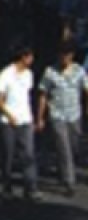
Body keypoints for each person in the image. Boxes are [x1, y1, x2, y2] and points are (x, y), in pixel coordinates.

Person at [38, 42, 88, 195]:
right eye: (62, 55)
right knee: (63, 146)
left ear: (71, 56)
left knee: (73, 146)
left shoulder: (79, 71)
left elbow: (86, 90)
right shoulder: (50, 72)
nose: (64, 58)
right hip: (57, 114)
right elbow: (43, 95)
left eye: (67, 55)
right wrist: (40, 117)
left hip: (74, 114)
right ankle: (69, 181)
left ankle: (62, 168)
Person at [0, 46, 39, 199]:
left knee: (28, 154)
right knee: (8, 154)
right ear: (23, 57)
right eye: (30, 57)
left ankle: (30, 188)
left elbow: (27, 96)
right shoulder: (6, 74)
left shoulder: (29, 75)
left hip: (25, 119)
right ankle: (6, 187)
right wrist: (9, 116)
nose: (32, 60)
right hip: (9, 121)